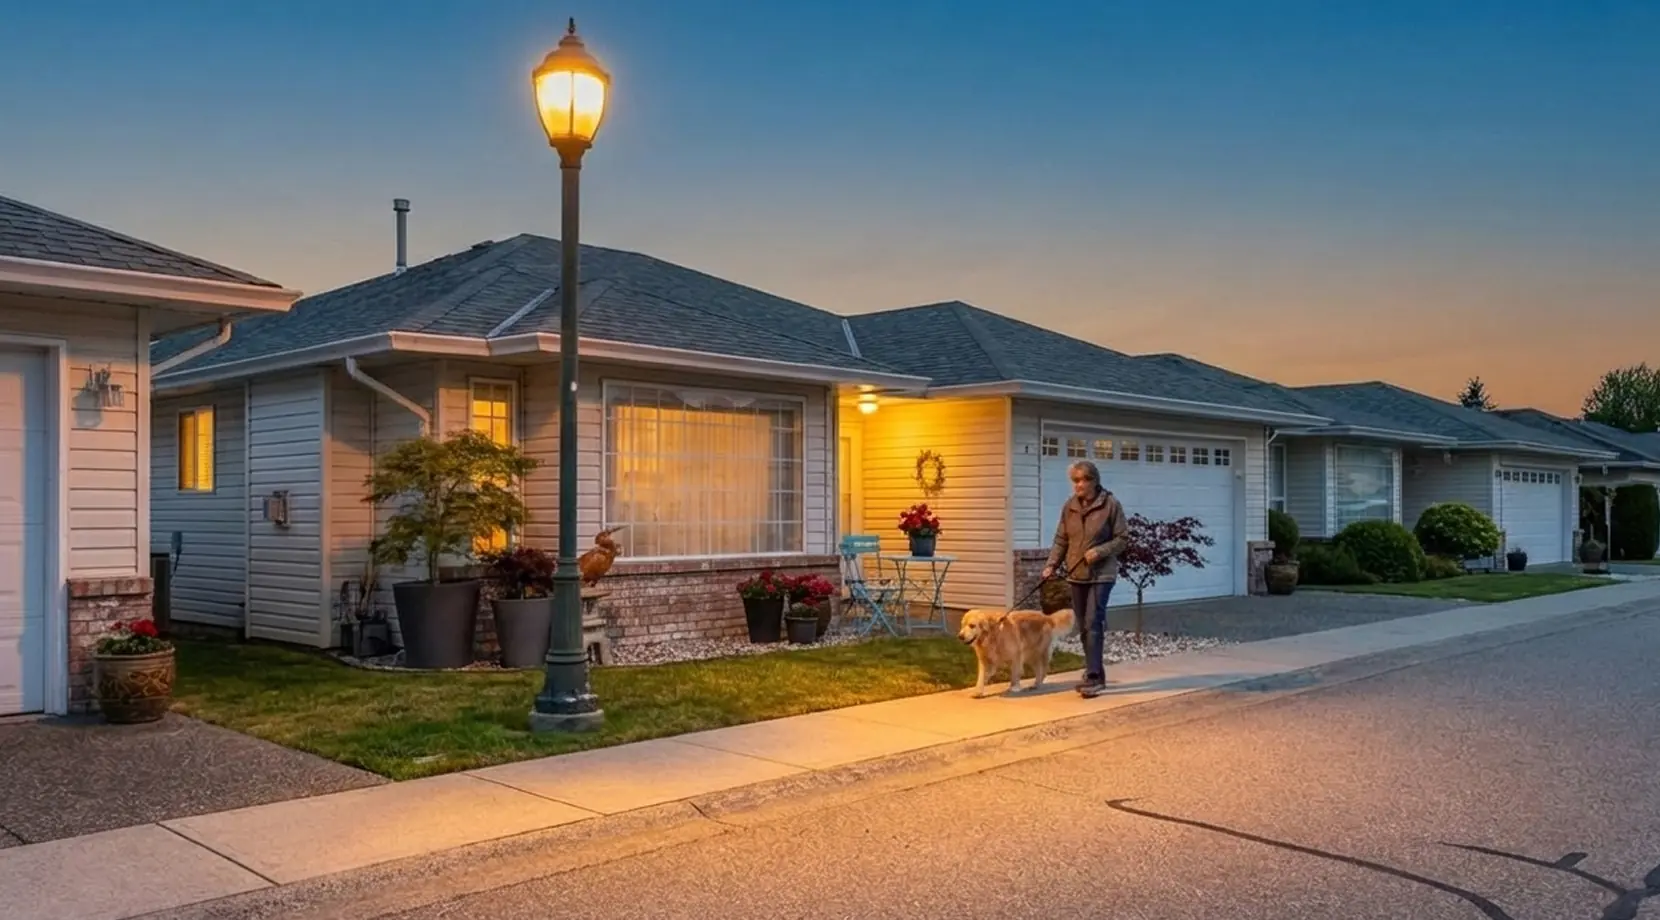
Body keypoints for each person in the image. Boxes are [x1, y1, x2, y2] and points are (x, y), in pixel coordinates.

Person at [1041, 459, 1128, 697]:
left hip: (1102, 574)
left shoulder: (1110, 505)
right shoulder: (1070, 506)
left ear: (1093, 481)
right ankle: (1095, 672)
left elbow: (1122, 539)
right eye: (1074, 481)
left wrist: (1099, 551)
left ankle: (1092, 677)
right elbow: (1061, 539)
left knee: (1092, 621)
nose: (1077, 485)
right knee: (1083, 625)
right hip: (1076, 574)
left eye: (1081, 481)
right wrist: (1051, 565)